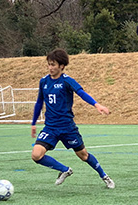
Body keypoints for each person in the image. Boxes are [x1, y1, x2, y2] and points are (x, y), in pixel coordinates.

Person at [31, 48, 115, 189]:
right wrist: (33, 123)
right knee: (36, 155)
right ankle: (64, 170)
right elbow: (39, 102)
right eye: (49, 64)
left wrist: (97, 105)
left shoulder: (67, 81)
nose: (50, 67)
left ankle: (104, 176)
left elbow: (81, 93)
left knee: (83, 155)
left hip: (67, 127)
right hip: (50, 127)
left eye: (53, 64)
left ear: (61, 66)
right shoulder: (44, 81)